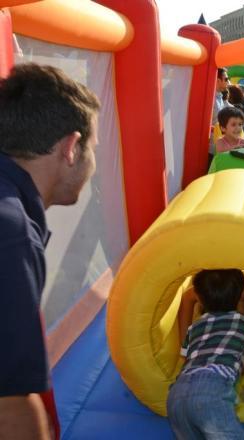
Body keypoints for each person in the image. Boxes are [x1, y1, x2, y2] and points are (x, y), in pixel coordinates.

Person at [0, 63, 100, 439]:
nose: (92, 162)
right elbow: (9, 407)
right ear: (71, 148)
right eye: (92, 149)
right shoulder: (11, 233)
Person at [168, 270, 244, 439]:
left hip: (176, 394)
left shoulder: (194, 327)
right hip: (212, 390)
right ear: (240, 295)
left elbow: (186, 358)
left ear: (200, 298)